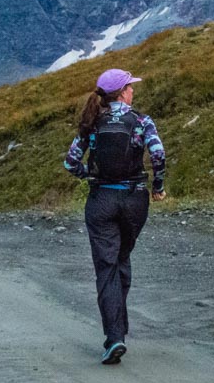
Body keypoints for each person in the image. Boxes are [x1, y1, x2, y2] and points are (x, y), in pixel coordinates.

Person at [63, 67, 166, 365]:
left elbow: (70, 163)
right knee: (122, 257)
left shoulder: (92, 123)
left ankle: (115, 336)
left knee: (106, 266)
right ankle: (119, 329)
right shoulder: (142, 121)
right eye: (131, 87)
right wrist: (157, 186)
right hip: (135, 199)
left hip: (101, 200)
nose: (134, 90)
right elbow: (158, 155)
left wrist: (90, 175)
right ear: (122, 92)